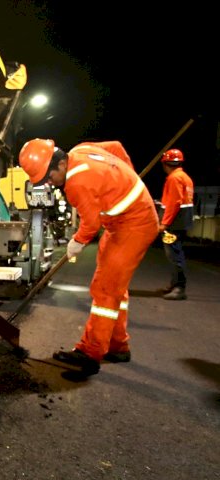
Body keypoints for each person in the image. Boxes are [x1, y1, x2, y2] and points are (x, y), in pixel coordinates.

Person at [18, 139, 159, 376]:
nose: (50, 184)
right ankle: (118, 345)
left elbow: (91, 224)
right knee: (114, 288)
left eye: (49, 178)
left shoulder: (76, 184)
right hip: (120, 223)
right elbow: (116, 147)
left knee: (105, 289)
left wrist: (77, 242)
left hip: (135, 224)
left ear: (61, 164)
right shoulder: (81, 150)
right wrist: (127, 178)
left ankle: (91, 353)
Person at [158, 148, 194, 300]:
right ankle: (174, 284)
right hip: (181, 222)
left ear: (166, 164)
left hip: (174, 225)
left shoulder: (174, 178)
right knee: (175, 254)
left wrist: (164, 223)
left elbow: (174, 202)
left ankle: (179, 288)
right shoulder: (185, 177)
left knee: (174, 255)